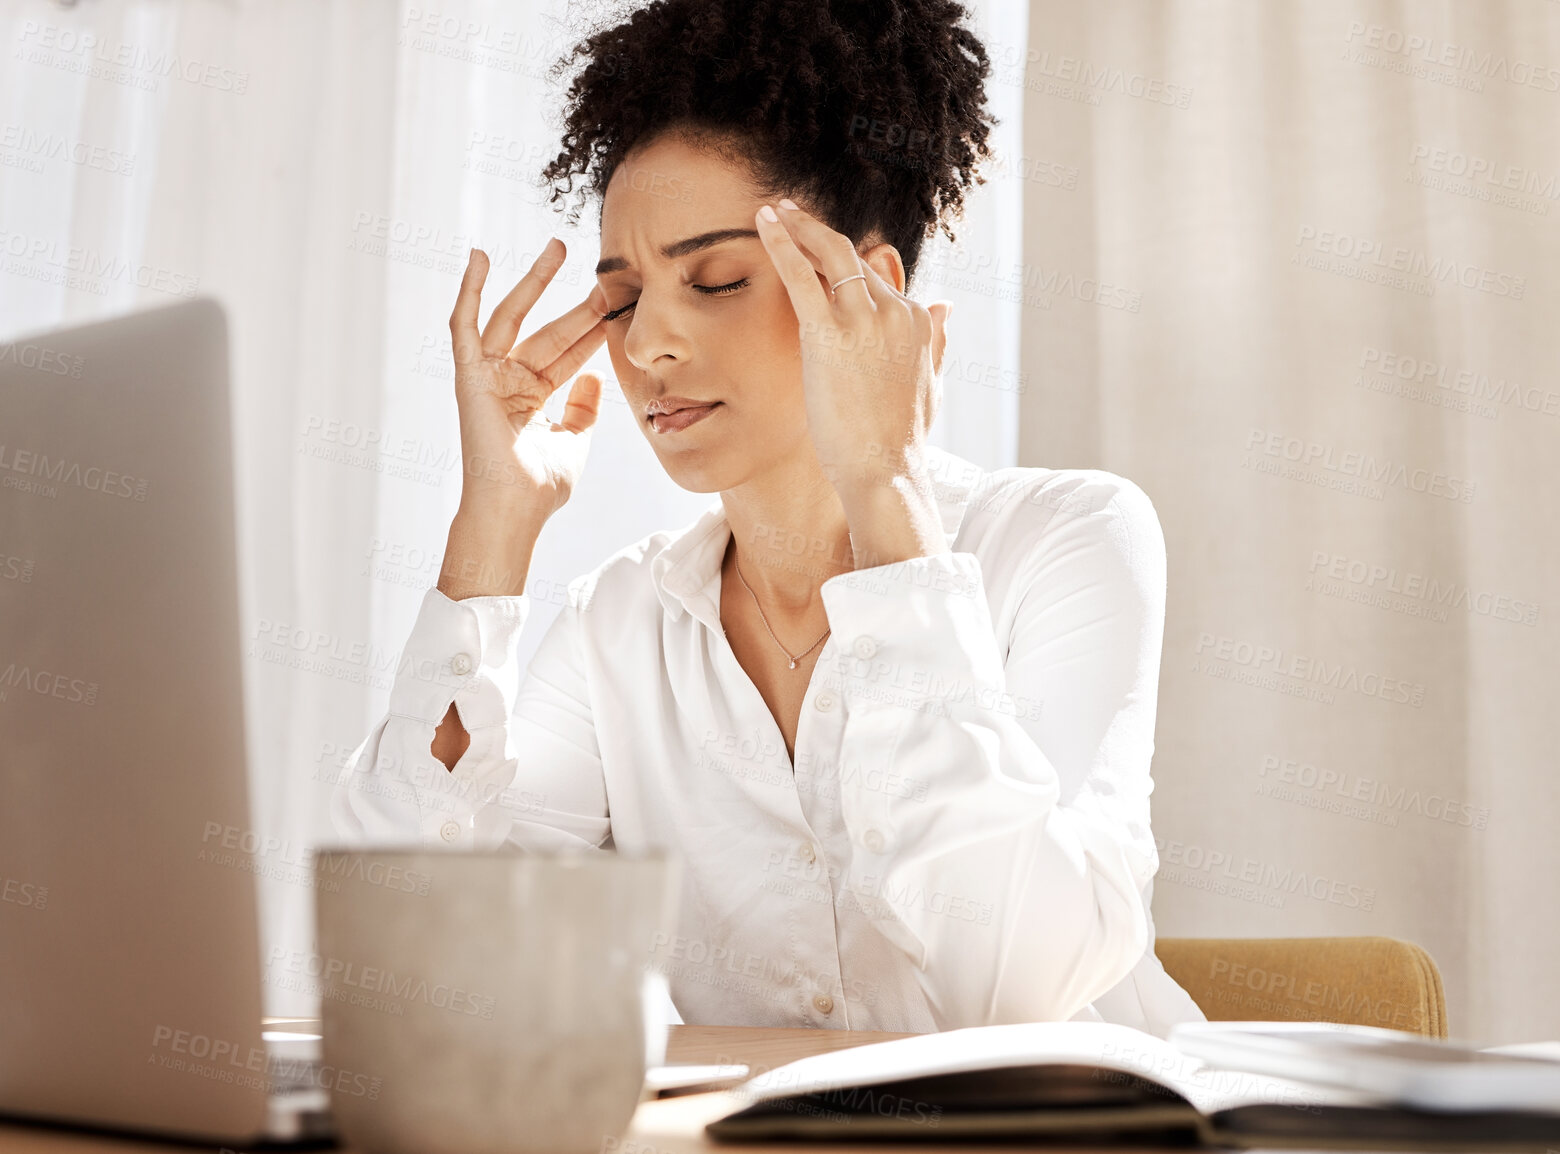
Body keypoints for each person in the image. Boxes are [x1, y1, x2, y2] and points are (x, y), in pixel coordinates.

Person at [331, 0, 1205, 1037]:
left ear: (862, 289)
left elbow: (1011, 985)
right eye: (621, 300)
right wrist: (493, 525)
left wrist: (883, 487)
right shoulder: (622, 627)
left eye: (714, 279)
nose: (647, 341)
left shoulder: (1068, 538)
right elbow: (419, 965)